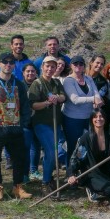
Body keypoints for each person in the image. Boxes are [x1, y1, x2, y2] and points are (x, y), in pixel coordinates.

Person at [0, 52, 32, 201]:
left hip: (15, 129)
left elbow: (25, 105)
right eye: (5, 62)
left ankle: (18, 187)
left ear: (14, 65)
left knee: (18, 158)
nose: (8, 65)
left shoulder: (18, 84)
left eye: (11, 62)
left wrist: (23, 123)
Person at [67, 110, 110, 205]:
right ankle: (92, 189)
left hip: (106, 171)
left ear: (105, 119)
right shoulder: (85, 139)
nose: (98, 119)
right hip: (92, 173)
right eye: (95, 117)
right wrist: (71, 174)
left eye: (101, 116)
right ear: (92, 120)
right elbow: (77, 158)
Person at [27, 56, 66, 195]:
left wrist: (57, 98)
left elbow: (63, 97)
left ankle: (49, 178)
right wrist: (47, 103)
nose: (50, 69)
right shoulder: (37, 84)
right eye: (47, 66)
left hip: (55, 123)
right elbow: (33, 105)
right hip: (42, 124)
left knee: (53, 151)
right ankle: (45, 182)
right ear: (42, 67)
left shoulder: (56, 82)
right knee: (51, 151)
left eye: (53, 67)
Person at [62, 56, 103, 170]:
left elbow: (96, 93)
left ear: (84, 66)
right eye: (75, 64)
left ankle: (83, 170)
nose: (78, 66)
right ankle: (70, 173)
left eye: (81, 64)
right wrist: (93, 100)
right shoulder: (68, 81)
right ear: (71, 66)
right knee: (73, 146)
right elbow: (75, 100)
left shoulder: (88, 79)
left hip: (88, 117)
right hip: (72, 119)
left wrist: (97, 98)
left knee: (86, 145)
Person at [21, 63, 41, 182]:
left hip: (38, 120)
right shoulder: (19, 85)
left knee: (36, 147)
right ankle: (24, 173)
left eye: (33, 71)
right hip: (24, 122)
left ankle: (34, 170)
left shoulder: (39, 84)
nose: (30, 73)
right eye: (28, 71)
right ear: (23, 73)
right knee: (25, 148)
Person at [88, 55, 110, 120]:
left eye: (102, 64)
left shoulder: (103, 82)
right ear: (91, 62)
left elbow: (99, 97)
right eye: (97, 63)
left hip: (93, 114)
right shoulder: (81, 75)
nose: (99, 65)